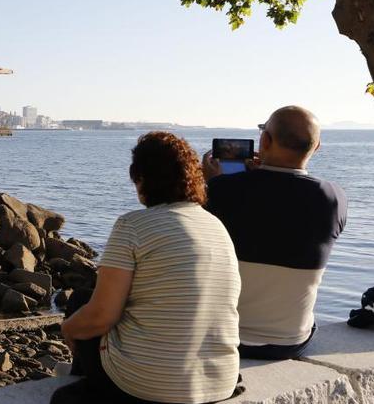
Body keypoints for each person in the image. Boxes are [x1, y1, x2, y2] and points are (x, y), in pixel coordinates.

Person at [53, 132, 241, 404]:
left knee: (83, 300)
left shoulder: (132, 225)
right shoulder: (216, 226)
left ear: (140, 178)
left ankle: (85, 379)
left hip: (148, 386)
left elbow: (102, 316)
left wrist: (68, 330)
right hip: (221, 381)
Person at [203, 106, 347, 360]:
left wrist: (211, 184)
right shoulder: (333, 198)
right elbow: (282, 205)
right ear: (316, 147)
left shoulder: (222, 191)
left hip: (224, 338)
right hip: (291, 342)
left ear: (265, 140)